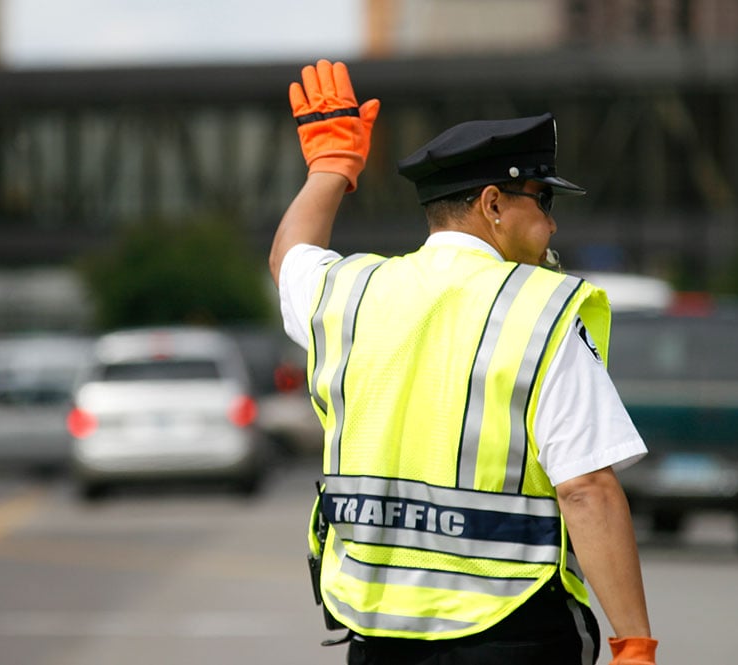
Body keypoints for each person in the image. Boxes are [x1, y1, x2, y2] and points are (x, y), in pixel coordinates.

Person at [270, 59, 657, 665]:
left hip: (377, 638)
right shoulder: (539, 309)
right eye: (544, 198)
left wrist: (330, 170)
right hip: (512, 630)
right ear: (493, 203)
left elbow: (290, 257)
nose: (552, 221)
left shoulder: (349, 292)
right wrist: (634, 644)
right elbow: (586, 490)